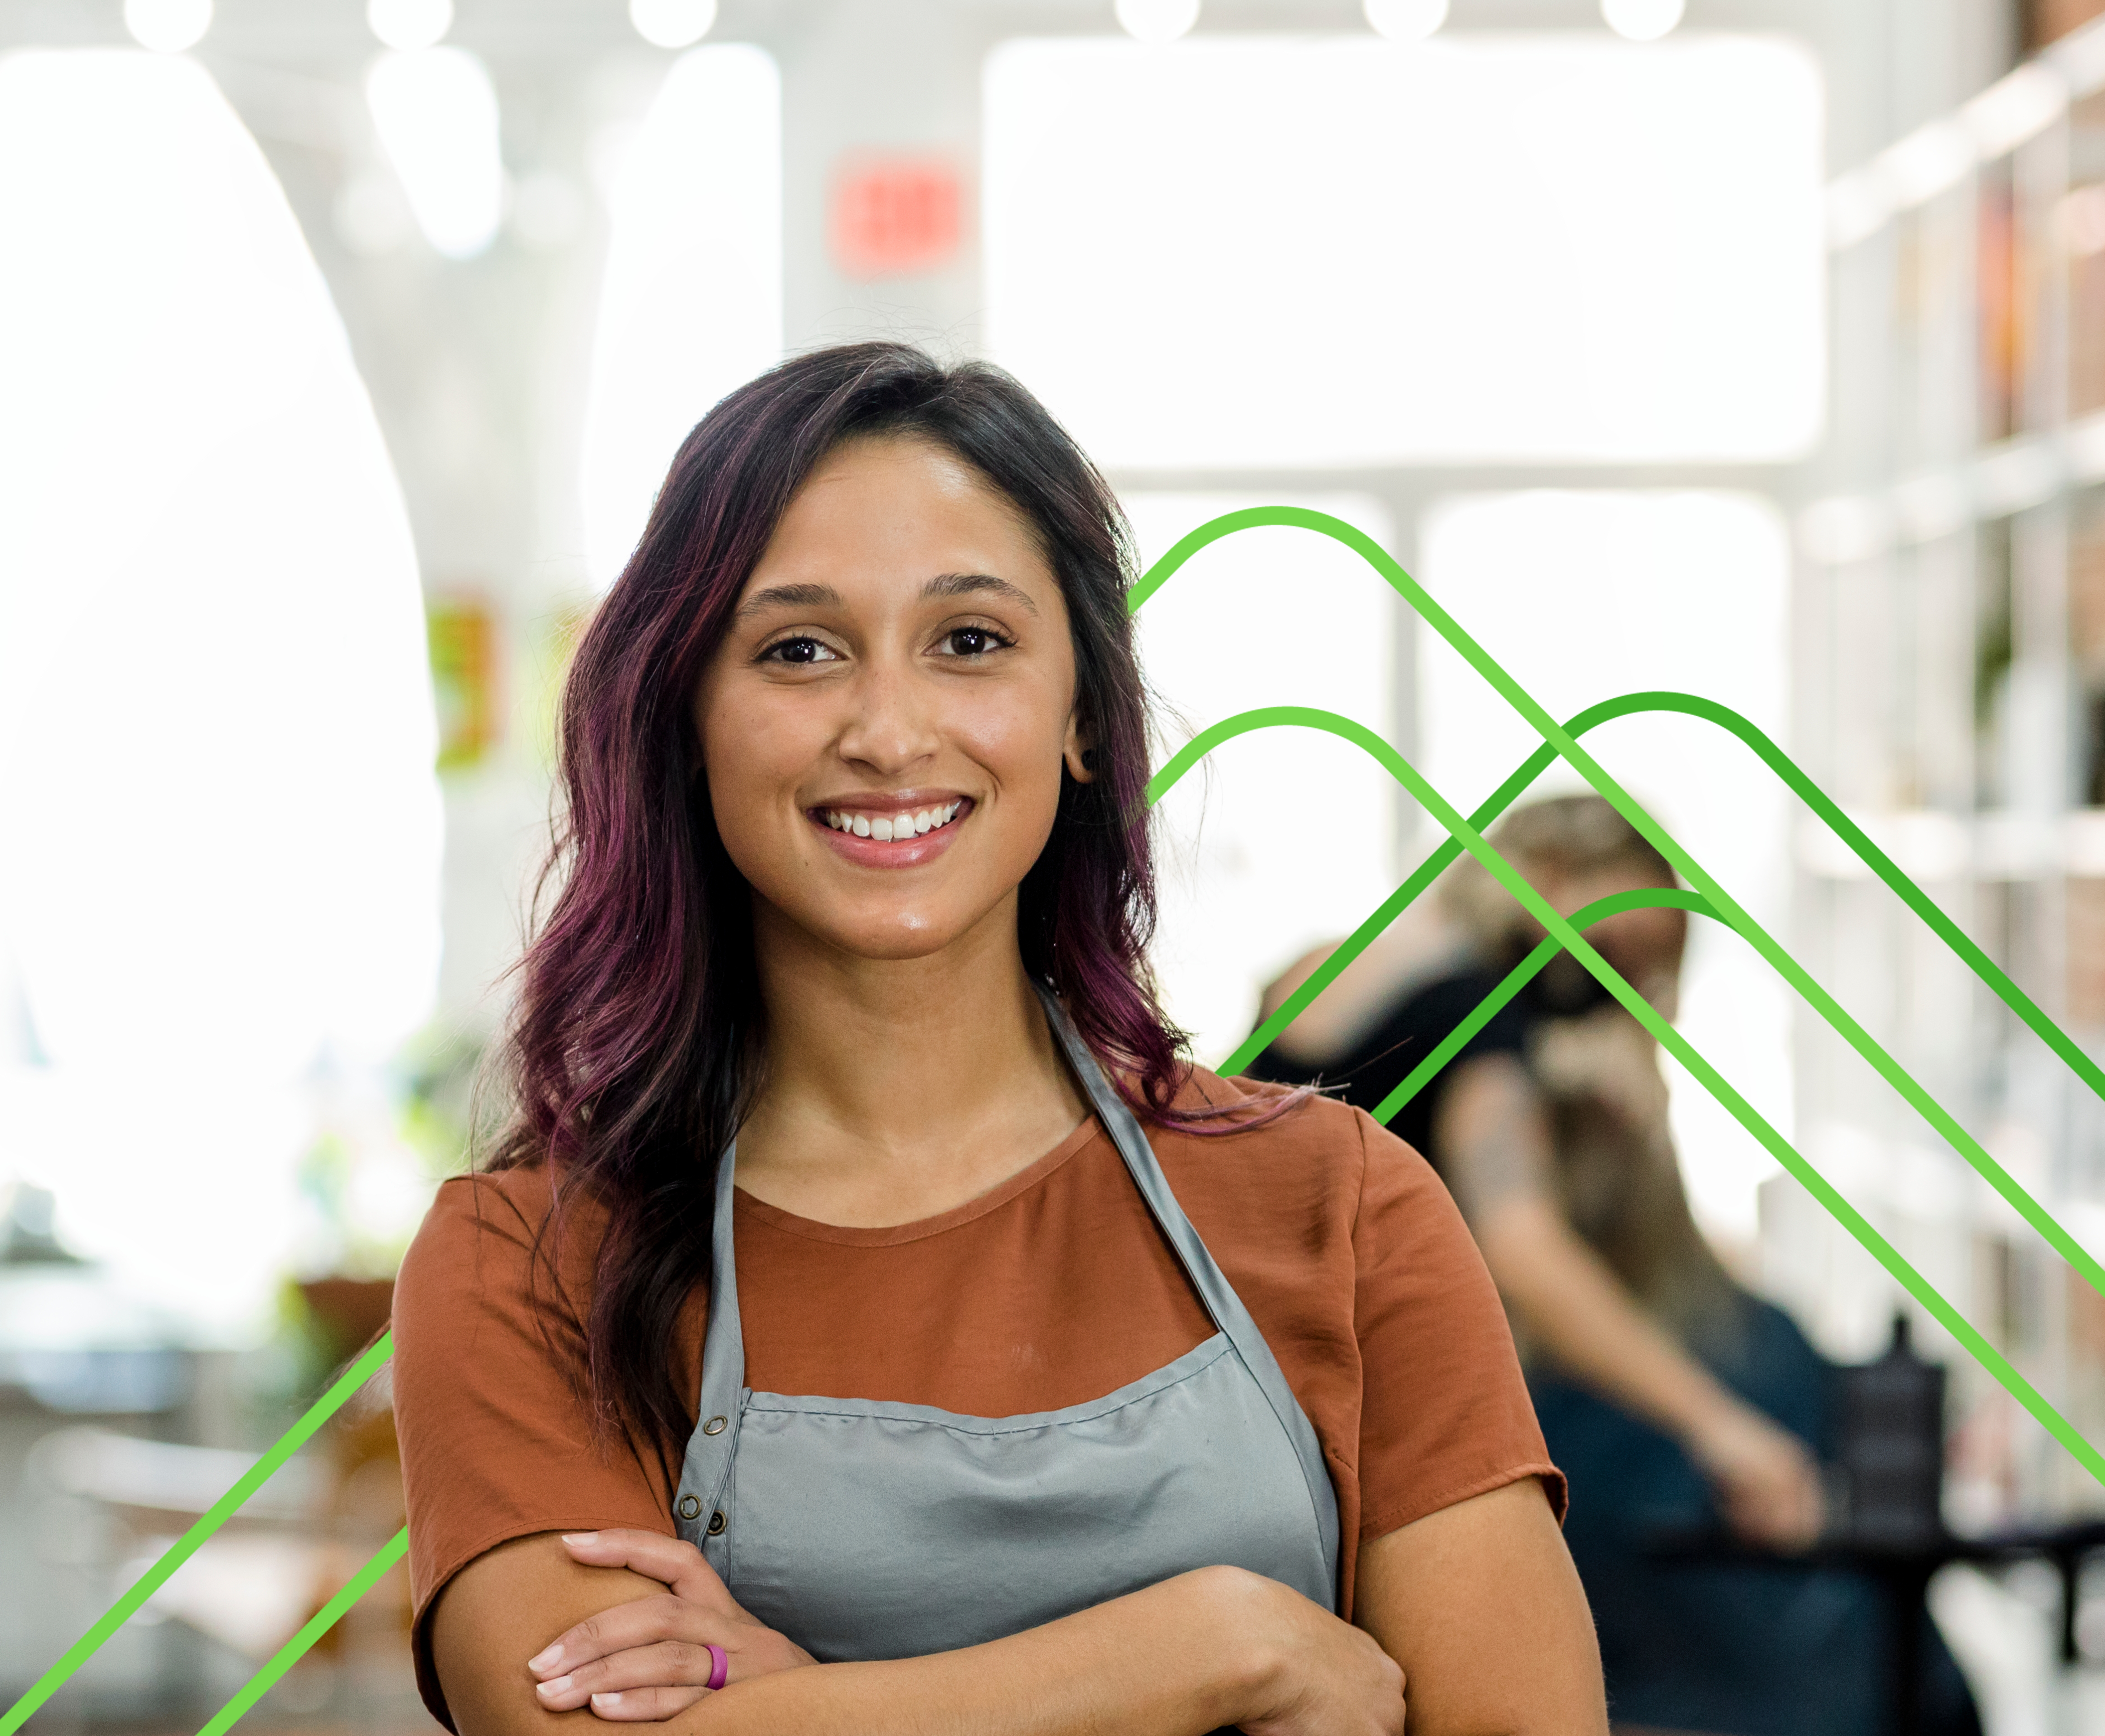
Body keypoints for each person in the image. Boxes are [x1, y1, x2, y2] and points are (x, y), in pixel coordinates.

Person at [390, 343, 1604, 1736]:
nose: (890, 731)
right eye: (799, 649)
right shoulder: (526, 1269)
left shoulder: (1345, 1208)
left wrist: (817, 1704)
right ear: (686, 721)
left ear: (1082, 714)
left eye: (970, 642)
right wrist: (1222, 1647)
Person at [1255, 797, 1978, 1736]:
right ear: (1555, 882)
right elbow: (1525, 1250)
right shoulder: (1490, 1025)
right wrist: (1721, 1430)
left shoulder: (1351, 979)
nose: (1635, 992)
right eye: (1629, 957)